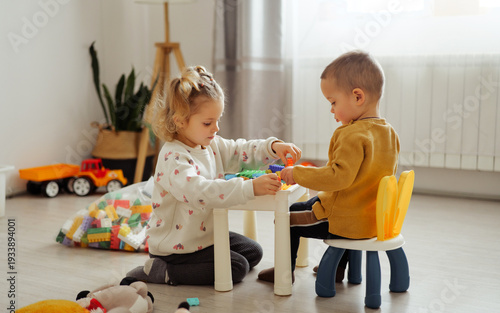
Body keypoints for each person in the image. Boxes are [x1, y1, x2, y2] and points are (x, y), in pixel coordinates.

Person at [127, 65, 301, 285]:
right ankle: (163, 271)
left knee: (253, 252)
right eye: (208, 123)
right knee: (237, 267)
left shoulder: (210, 144)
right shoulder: (174, 157)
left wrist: (272, 147)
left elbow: (240, 151)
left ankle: (196, 262)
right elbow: (201, 192)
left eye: (217, 120)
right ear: (180, 121)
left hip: (204, 237)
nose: (216, 128)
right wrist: (250, 188)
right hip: (176, 249)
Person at [258, 50, 400, 283]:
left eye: (333, 102)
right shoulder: (388, 133)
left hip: (345, 219)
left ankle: (285, 271)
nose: (331, 109)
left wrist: (297, 174)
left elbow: (338, 177)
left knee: (286, 216)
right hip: (370, 216)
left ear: (357, 97)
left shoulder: (352, 135)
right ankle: (337, 267)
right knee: (311, 204)